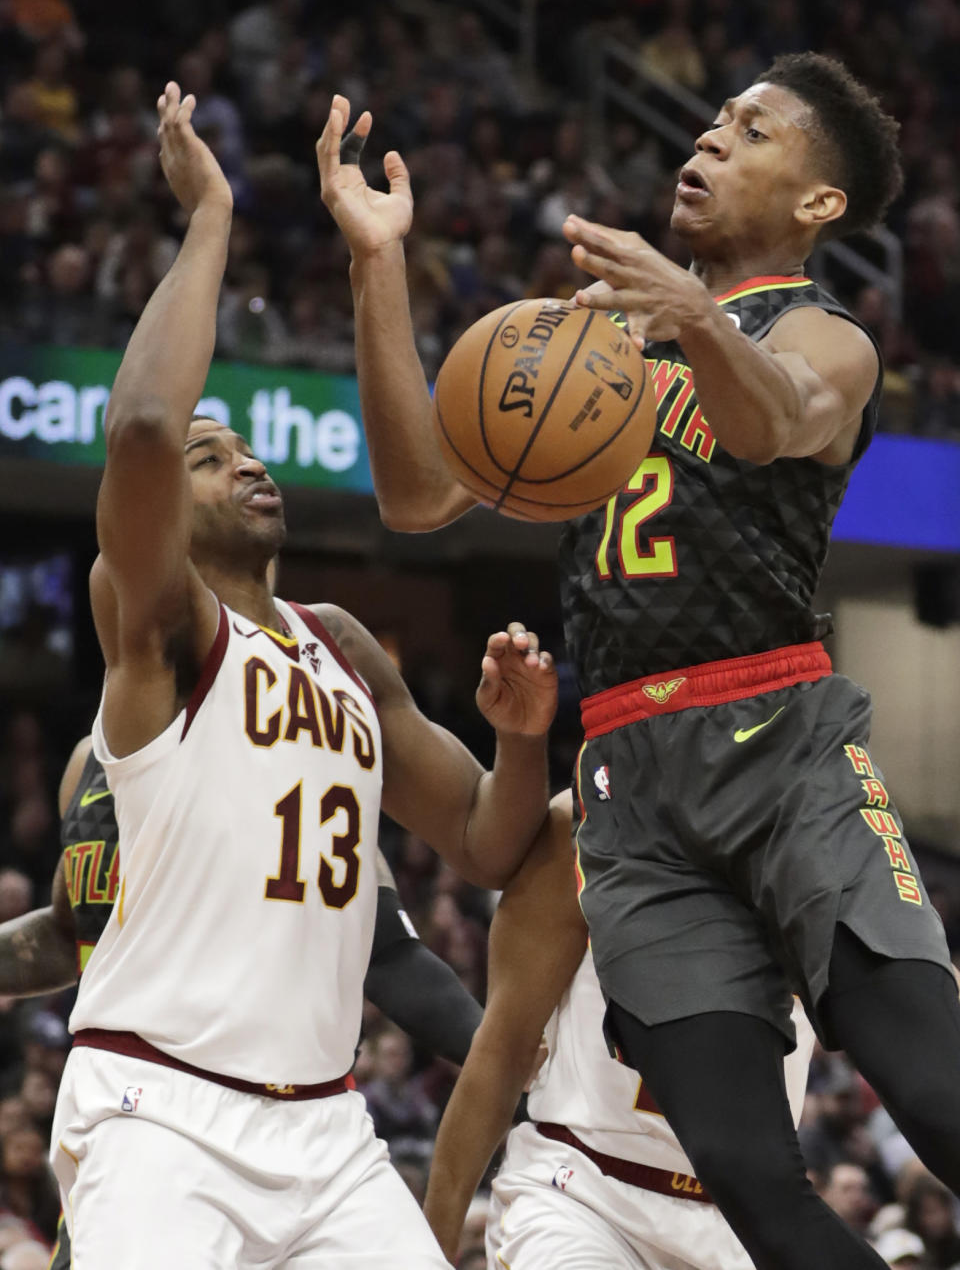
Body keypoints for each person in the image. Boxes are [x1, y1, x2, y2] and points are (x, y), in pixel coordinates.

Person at [317, 52, 960, 1270]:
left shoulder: (826, 336)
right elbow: (411, 493)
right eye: (712, 120)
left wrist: (693, 313)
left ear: (818, 202)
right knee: (756, 1183)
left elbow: (773, 416)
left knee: (936, 1095)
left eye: (752, 130)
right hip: (628, 781)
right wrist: (376, 259)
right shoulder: (592, 342)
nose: (713, 138)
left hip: (779, 746)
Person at [48, 82, 557, 1270]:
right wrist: (211, 215)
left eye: (251, 449)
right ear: (168, 504)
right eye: (212, 457)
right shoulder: (157, 623)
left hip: (328, 1123)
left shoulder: (343, 642)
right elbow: (137, 431)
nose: (250, 463)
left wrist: (525, 736)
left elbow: (485, 842)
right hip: (160, 1104)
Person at [0, 729, 487, 1270]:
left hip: (277, 1110)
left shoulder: (276, 749)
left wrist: (507, 1059)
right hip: (140, 1110)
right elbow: (73, 932)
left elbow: (390, 954)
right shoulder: (86, 759)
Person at [423, 790, 815, 1269]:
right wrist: (430, 1248)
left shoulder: (829, 833)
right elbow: (503, 1047)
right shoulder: (587, 818)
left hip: (741, 1221)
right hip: (586, 1193)